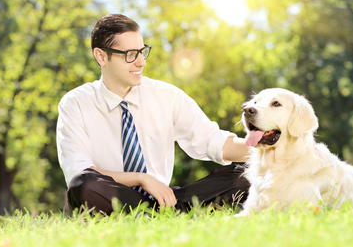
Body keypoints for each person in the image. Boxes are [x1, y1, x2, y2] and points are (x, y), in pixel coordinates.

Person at [56, 13, 250, 215]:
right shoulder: (75, 103)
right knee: (83, 186)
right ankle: (157, 216)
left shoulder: (166, 95)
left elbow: (215, 142)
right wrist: (141, 179)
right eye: (130, 54)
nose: (141, 62)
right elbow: (78, 173)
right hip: (114, 198)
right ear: (101, 56)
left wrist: (275, 148)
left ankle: (155, 215)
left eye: (142, 51)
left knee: (247, 174)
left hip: (167, 200)